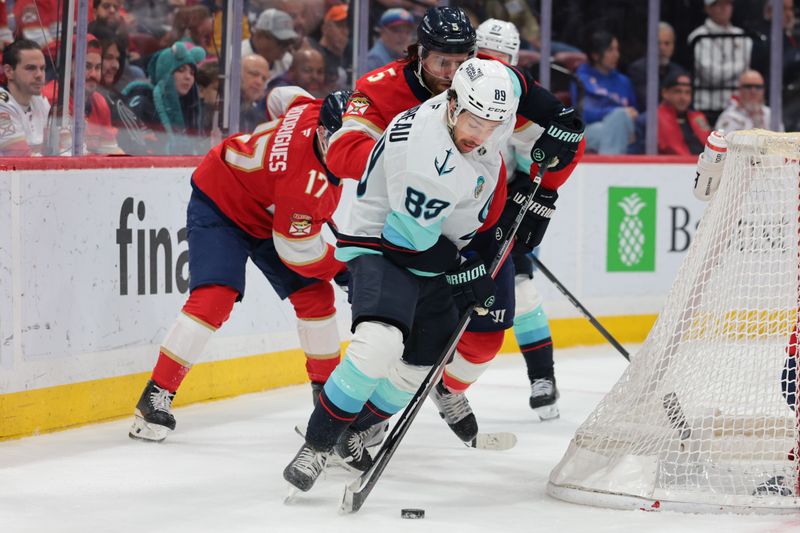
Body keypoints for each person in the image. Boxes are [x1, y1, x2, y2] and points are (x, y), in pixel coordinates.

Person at [327, 6, 584, 445]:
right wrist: (402, 158)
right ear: (418, 55)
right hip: (408, 229)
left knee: (485, 338)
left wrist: (542, 192)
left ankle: (444, 387)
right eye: (440, 61)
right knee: (397, 335)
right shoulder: (381, 87)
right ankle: (363, 420)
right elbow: (341, 151)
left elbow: (560, 140)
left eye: (461, 60)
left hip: (479, 226)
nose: (451, 72)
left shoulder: (485, 83)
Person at [283, 58, 522, 492]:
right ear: (451, 104)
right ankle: (317, 445)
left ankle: (353, 431)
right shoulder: (424, 156)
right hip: (383, 243)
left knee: (423, 361)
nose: (481, 135)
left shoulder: (485, 119)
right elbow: (406, 241)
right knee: (380, 343)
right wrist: (463, 270)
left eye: (492, 125)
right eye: (473, 121)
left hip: (433, 242)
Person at [129, 87, 353, 442]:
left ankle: (326, 407)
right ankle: (155, 396)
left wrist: (277, 145)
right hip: (222, 201)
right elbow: (300, 252)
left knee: (315, 296)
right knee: (216, 295)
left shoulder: (311, 108)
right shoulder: (305, 186)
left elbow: (281, 96)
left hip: (271, 213)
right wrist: (343, 269)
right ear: (324, 131)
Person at [476, 18, 564, 418]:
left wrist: (522, 198)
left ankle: (542, 377)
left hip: (499, 213)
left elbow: (537, 167)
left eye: (501, 59)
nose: (493, 66)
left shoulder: (521, 102)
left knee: (524, 291)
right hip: (456, 212)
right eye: (484, 57)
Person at [42, 34, 124, 155]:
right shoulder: (55, 98)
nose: (94, 75)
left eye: (98, 67)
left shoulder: (99, 101)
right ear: (68, 67)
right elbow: (70, 155)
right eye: (87, 66)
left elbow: (111, 151)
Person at [123, 42, 208, 155]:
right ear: (165, 72)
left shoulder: (192, 108)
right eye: (181, 70)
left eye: (192, 73)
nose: (188, 77)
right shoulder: (142, 103)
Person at [573, 29, 637, 155]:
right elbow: (583, 114)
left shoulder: (624, 81)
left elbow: (634, 112)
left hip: (622, 129)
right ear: (596, 55)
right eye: (610, 50)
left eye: (617, 49)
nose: (616, 55)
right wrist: (615, 113)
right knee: (615, 121)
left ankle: (608, 170)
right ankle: (614, 168)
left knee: (616, 125)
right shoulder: (581, 78)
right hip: (589, 129)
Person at [687, 0, 752, 123]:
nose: (724, 8)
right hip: (707, 106)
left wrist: (726, 69)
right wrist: (740, 64)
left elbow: (746, 75)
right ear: (707, 8)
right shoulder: (698, 37)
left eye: (728, 4)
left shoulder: (742, 36)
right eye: (718, 4)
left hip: (738, 106)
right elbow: (712, 75)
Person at [0, 39, 50, 156]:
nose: (39, 75)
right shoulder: (2, 104)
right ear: (9, 71)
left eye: (42, 68)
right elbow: (21, 157)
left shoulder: (41, 102)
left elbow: (63, 148)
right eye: (31, 68)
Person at [627, 22, 688, 112]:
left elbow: (686, 102)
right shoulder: (638, 69)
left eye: (667, 43)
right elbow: (647, 101)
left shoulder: (680, 72)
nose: (662, 48)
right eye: (658, 43)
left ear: (673, 46)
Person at [655, 72, 711, 155]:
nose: (683, 97)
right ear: (665, 93)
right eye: (677, 91)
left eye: (687, 92)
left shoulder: (698, 117)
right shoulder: (653, 118)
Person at [715, 69, 784, 133]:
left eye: (758, 87)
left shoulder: (770, 115)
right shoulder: (729, 117)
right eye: (748, 86)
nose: (753, 91)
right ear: (740, 89)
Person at [243, 9, 298, 84]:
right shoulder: (236, 57)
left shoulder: (287, 61)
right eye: (281, 42)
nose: (287, 48)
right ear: (259, 36)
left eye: (289, 42)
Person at [309, 4, 350, 93]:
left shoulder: (349, 56)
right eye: (340, 26)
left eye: (347, 26)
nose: (345, 32)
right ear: (325, 28)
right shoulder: (316, 57)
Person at [366, 8, 416, 72]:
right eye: (397, 31)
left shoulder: (407, 56)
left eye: (408, 32)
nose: (403, 37)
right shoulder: (374, 61)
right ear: (382, 32)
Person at [239, 54, 270, 133]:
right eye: (254, 74)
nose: (259, 82)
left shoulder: (262, 121)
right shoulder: (222, 108)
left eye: (264, 79)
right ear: (237, 73)